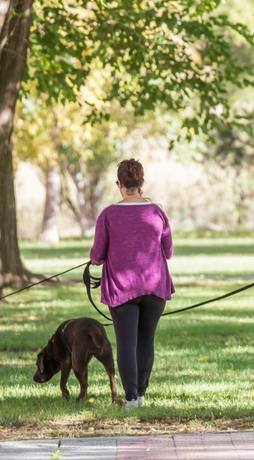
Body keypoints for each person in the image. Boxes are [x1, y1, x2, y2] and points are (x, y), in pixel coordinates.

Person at [90, 159, 173, 408]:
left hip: (122, 288)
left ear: (119, 184)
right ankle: (141, 394)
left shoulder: (108, 215)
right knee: (145, 341)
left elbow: (96, 255)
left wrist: (99, 258)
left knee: (126, 343)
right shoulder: (157, 212)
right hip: (154, 286)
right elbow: (167, 252)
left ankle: (130, 398)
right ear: (141, 183)